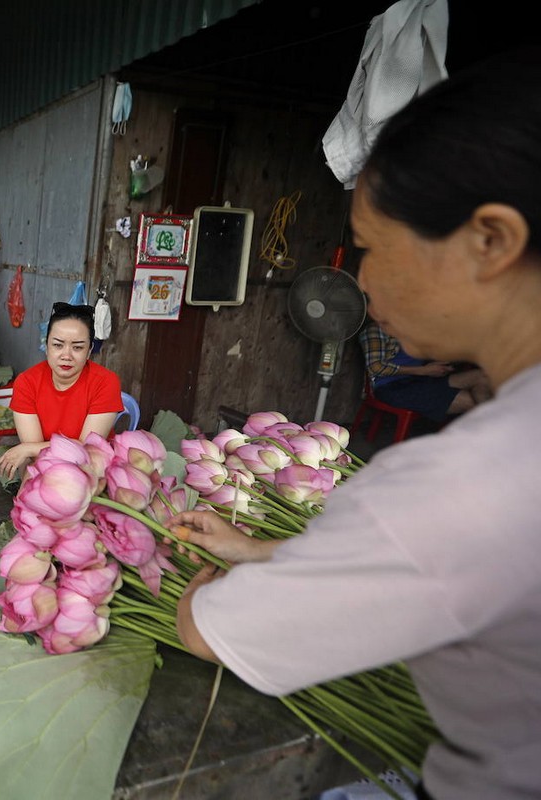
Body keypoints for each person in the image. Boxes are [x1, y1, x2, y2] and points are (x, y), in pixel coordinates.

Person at [172, 49, 541, 800]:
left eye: (370, 247)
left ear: (491, 240)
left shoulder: (472, 480)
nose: (359, 281)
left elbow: (212, 632)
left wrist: (196, 596)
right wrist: (255, 546)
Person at [0, 302, 123, 486]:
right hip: (44, 464)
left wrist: (29, 449)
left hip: (93, 468)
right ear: (46, 345)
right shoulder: (27, 382)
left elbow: (88, 447)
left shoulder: (106, 382)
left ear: (90, 350)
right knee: (30, 468)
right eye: (58, 345)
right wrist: (30, 449)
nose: (66, 355)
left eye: (77, 347)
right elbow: (34, 453)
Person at [359, 319, 492, 422]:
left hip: (419, 380)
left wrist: (432, 367)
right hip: (391, 388)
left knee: (482, 376)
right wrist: (422, 371)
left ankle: (494, 427)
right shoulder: (377, 329)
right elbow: (375, 367)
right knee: (470, 401)